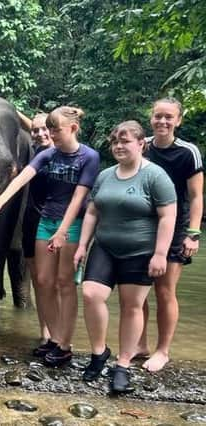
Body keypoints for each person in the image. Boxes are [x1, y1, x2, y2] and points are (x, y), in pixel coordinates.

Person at [0, 106, 100, 367]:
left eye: (55, 129)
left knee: (64, 283)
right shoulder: (48, 155)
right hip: (46, 221)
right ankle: (53, 339)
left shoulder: (89, 157)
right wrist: (2, 199)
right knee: (44, 281)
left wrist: (62, 231)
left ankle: (65, 345)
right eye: (49, 129)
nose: (51, 134)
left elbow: (79, 197)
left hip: (72, 224)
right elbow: (24, 176)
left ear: (73, 128)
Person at [74, 121, 176, 393]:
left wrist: (160, 254)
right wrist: (82, 245)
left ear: (141, 144)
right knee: (91, 294)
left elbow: (168, 217)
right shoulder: (106, 175)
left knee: (132, 306)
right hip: (105, 246)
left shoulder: (156, 176)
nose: (118, 146)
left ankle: (123, 365)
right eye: (115, 142)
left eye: (125, 141)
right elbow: (93, 212)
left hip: (140, 251)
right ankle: (98, 353)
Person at [140, 98, 204, 372]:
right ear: (151, 118)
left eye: (168, 117)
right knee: (137, 291)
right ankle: (139, 345)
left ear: (178, 120)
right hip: (143, 225)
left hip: (176, 227)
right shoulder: (142, 147)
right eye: (158, 116)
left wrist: (194, 234)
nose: (162, 122)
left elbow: (197, 196)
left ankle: (162, 350)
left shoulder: (188, 152)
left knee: (165, 290)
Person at [23, 113, 55, 347]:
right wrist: (10, 109)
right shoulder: (35, 152)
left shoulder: (65, 153)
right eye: (36, 131)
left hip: (58, 224)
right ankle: (45, 331)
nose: (41, 134)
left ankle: (60, 334)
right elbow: (34, 127)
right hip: (32, 221)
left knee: (58, 281)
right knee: (38, 280)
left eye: (46, 129)